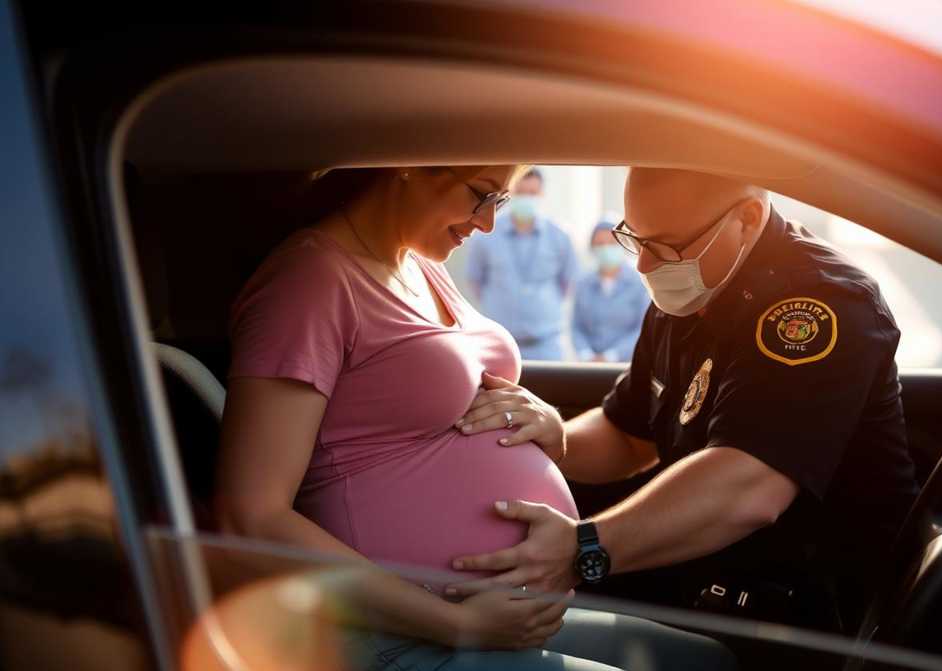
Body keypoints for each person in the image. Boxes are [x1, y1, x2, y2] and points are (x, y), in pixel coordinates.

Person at [215, 165, 736, 670]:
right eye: (481, 194)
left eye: (501, 201)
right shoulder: (309, 283)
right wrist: (452, 624)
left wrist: (548, 427)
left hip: (484, 620)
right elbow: (252, 517)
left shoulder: (419, 266)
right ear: (410, 165)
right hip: (387, 628)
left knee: (709, 660)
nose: (488, 223)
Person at [448, 168, 920, 634]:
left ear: (748, 219)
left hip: (808, 616)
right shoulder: (692, 285)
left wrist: (583, 548)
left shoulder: (818, 305)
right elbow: (630, 437)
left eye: (665, 246)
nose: (643, 267)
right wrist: (553, 437)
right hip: (710, 581)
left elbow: (748, 489)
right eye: (636, 239)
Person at [465, 168, 577, 360]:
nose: (526, 199)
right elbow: (475, 281)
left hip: (546, 345)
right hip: (498, 345)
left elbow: (567, 283)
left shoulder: (560, 236)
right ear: (509, 194)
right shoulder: (485, 233)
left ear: (542, 194)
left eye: (532, 193)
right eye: (520, 193)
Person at [572, 218, 649, 363]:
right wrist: (586, 355)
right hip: (590, 367)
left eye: (612, 243)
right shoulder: (583, 283)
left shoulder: (639, 282)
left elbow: (642, 329)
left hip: (627, 365)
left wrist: (611, 356)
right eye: (600, 244)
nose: (606, 249)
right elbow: (577, 328)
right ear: (592, 247)